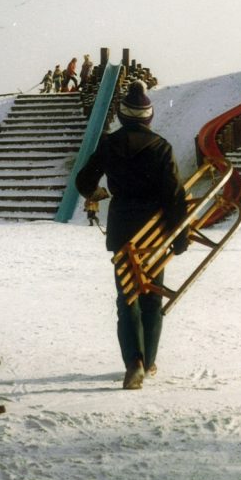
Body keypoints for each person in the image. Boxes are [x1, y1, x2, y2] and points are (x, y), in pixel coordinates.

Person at [75, 80, 188, 391]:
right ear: (148, 117)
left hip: (123, 229)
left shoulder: (110, 144)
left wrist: (100, 193)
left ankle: (133, 364)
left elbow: (84, 180)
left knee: (127, 299)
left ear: (123, 117)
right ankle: (148, 361)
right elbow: (174, 196)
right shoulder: (161, 147)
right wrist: (180, 237)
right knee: (152, 296)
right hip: (155, 232)